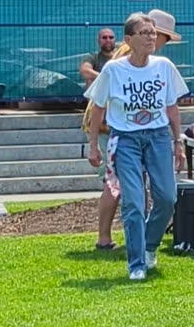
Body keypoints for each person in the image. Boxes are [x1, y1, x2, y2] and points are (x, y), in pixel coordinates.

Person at [86, 13, 189, 281]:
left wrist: (178, 142)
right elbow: (98, 108)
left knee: (167, 198)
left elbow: (172, 107)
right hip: (126, 139)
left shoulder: (164, 66)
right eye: (144, 33)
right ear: (129, 40)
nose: (151, 37)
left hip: (157, 137)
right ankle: (136, 263)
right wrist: (93, 146)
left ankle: (149, 246)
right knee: (134, 201)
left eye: (153, 32)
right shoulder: (113, 70)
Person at [80, 27, 120, 249]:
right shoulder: (94, 59)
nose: (108, 40)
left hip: (119, 125)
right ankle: (104, 236)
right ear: (98, 40)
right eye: (104, 37)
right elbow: (85, 71)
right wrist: (107, 78)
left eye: (111, 37)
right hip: (102, 125)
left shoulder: (123, 58)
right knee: (110, 179)